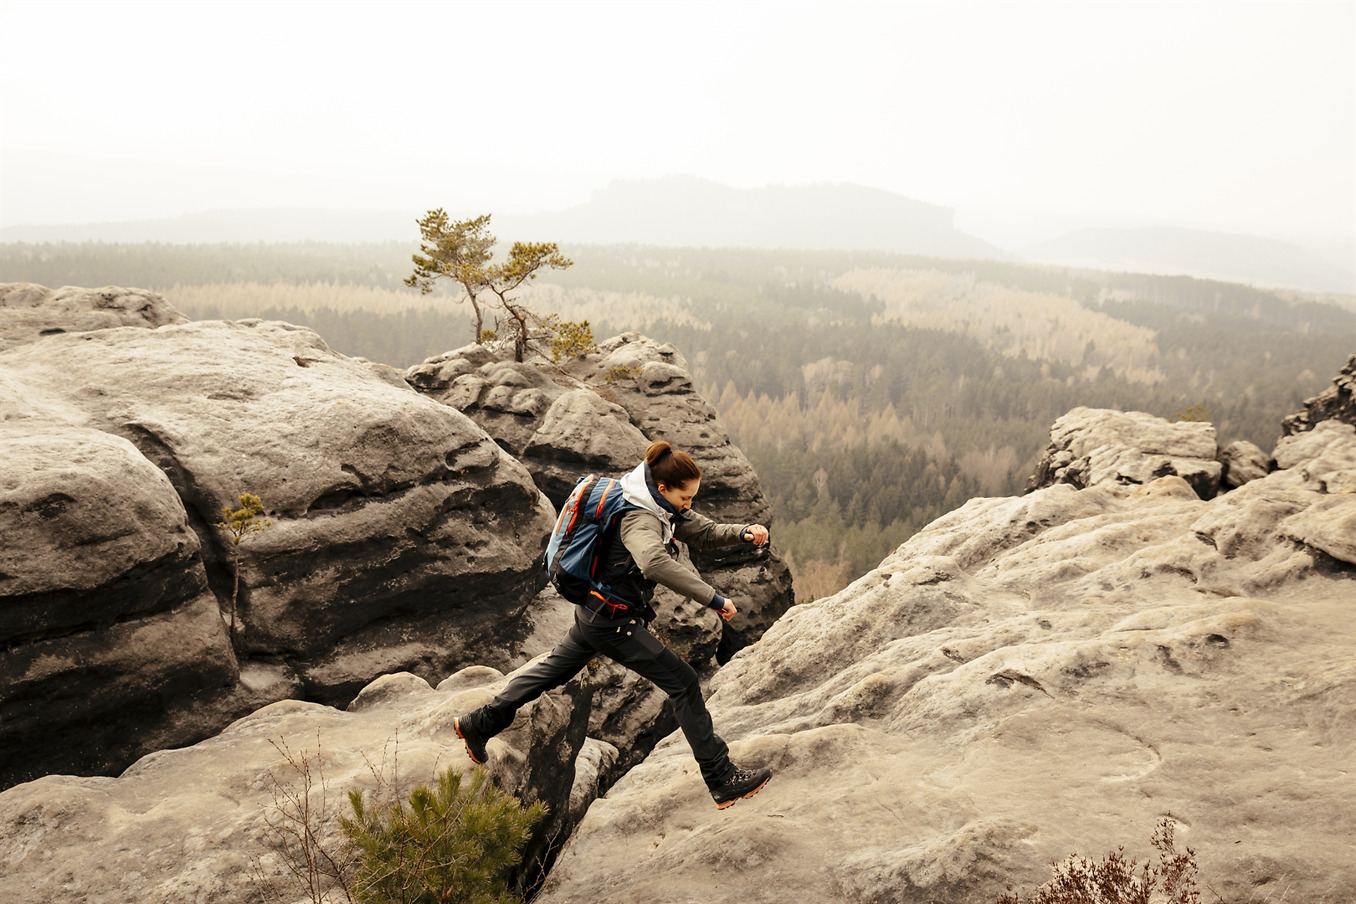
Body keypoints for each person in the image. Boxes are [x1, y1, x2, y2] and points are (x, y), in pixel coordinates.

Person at [454, 440, 773, 810]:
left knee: (551, 671)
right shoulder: (640, 516)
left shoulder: (648, 497)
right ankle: (721, 777)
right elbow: (653, 562)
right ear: (664, 489)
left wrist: (740, 532)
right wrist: (713, 599)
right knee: (684, 682)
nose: (689, 505)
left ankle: (480, 723)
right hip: (611, 622)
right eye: (686, 498)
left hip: (594, 613)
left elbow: (697, 529)